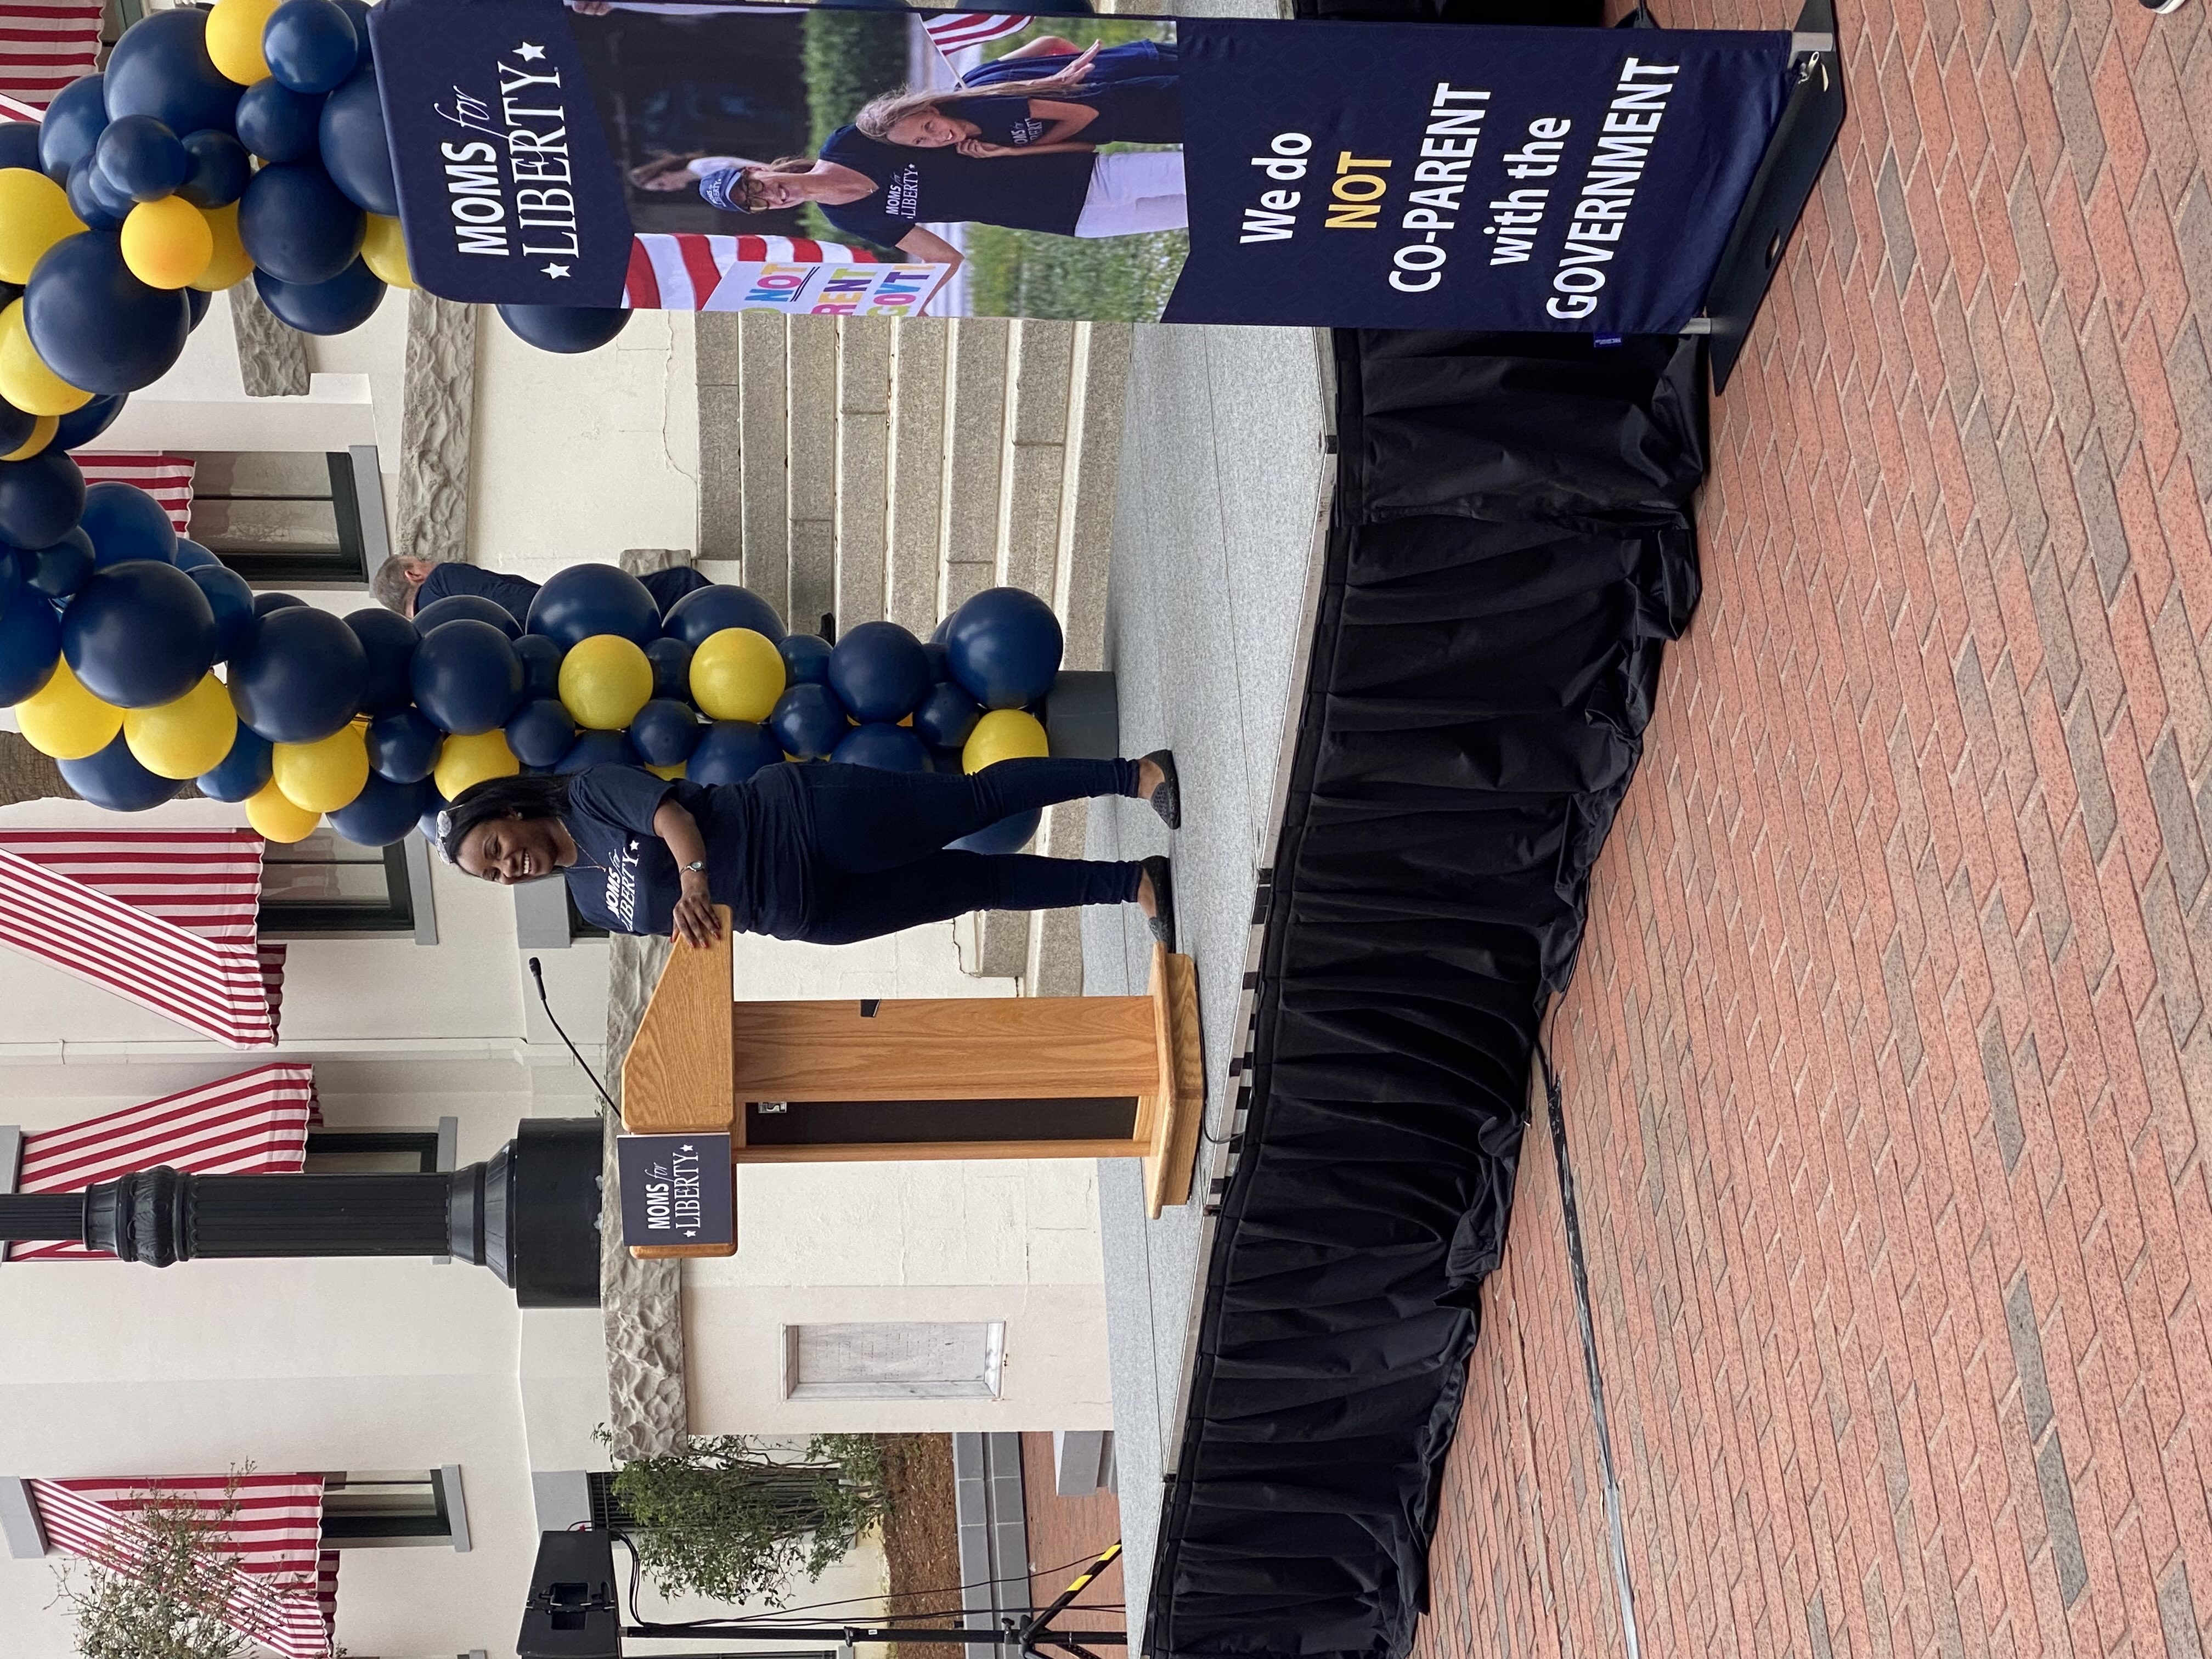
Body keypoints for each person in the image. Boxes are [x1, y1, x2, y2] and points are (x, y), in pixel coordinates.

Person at [437, 751, 1184, 949]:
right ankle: (1132, 884)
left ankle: (1135, 775)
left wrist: (694, 880)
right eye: (493, 874)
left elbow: (671, 819)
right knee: (974, 888)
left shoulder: (590, 795)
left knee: (973, 803)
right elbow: (688, 928)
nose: (508, 867)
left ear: (510, 811)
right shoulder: (590, 904)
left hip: (805, 820)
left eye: (496, 847)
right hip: (807, 913)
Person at [857, 41, 1180, 155]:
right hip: (1131, 111)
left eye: (928, 127)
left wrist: (1020, 151)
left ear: (931, 109)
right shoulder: (971, 93)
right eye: (920, 142)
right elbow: (1047, 43)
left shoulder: (982, 100)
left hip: (1135, 74)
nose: (937, 138)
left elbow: (1082, 115)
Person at [370, 556, 712, 628]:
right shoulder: (441, 581)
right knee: (680, 584)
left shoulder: (424, 633)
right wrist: (561, 616)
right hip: (565, 620)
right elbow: (503, 595)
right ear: (413, 574)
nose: (430, 561)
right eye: (423, 559)